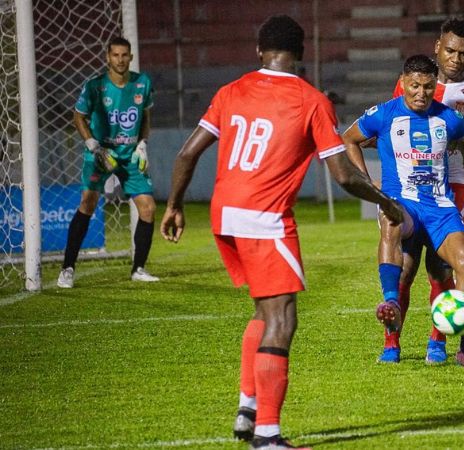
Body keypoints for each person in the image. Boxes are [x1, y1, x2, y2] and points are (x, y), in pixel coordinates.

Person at [159, 15, 403, 450]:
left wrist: (175, 205)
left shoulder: (230, 91)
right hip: (264, 217)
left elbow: (187, 153)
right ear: (302, 54)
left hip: (225, 214)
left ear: (258, 50)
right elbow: (344, 176)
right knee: (282, 318)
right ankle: (268, 436)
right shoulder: (310, 100)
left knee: (263, 310)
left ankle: (246, 408)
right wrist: (384, 201)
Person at [344, 54, 464, 370]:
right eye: (415, 86)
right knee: (391, 223)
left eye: (428, 87)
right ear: (403, 83)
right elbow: (349, 138)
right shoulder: (385, 114)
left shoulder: (448, 118)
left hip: (440, 208)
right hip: (404, 206)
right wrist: (368, 183)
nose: (421, 93)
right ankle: (390, 305)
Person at [379, 18, 464, 366]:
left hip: (453, 192)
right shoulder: (415, 85)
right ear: (437, 46)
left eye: (463, 53)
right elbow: (394, 130)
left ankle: (441, 344)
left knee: (441, 269)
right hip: (411, 188)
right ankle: (392, 342)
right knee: (405, 268)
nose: (455, 58)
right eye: (450, 50)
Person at [57, 36, 158, 288]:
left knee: (148, 208)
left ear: (131, 57)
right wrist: (92, 144)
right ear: (107, 58)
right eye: (115, 55)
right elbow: (78, 116)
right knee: (87, 203)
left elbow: (145, 115)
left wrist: (143, 143)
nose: (120, 60)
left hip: (130, 154)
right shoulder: (94, 86)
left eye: (125, 55)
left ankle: (138, 269)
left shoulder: (142, 83)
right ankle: (67, 268)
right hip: (100, 153)